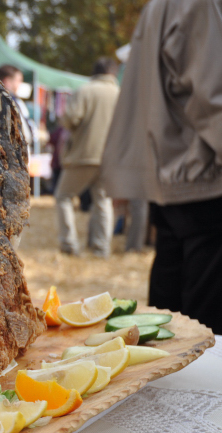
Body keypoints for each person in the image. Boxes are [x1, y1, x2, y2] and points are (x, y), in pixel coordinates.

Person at [101, 0, 222, 334]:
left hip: (174, 170)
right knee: (204, 330)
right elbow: (213, 95)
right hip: (203, 173)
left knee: (170, 324)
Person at [54, 57, 120, 257]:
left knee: (63, 196)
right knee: (103, 201)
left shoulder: (85, 90)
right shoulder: (120, 93)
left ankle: (69, 244)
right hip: (111, 157)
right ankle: (102, 248)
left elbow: (72, 118)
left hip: (84, 154)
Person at [0, 65, 34, 154]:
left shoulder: (13, 101)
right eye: (18, 81)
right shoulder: (2, 102)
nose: (20, 85)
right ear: (7, 81)